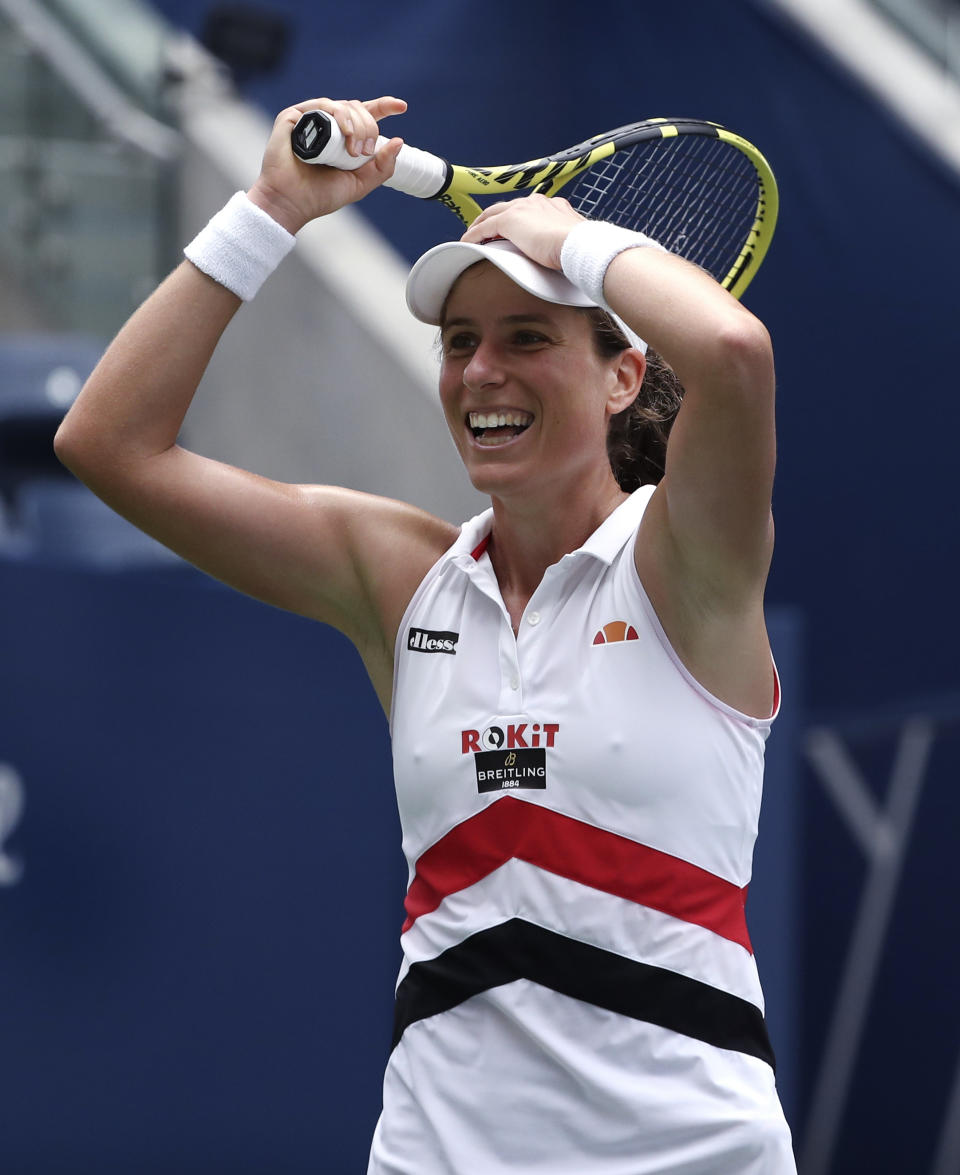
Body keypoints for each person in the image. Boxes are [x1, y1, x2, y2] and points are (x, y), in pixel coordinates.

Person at [55, 96, 796, 1173]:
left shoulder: (691, 566)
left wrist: (572, 241)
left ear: (623, 377)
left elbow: (731, 348)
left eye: (528, 336)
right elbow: (108, 442)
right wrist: (271, 208)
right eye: (460, 342)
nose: (481, 372)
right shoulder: (403, 581)